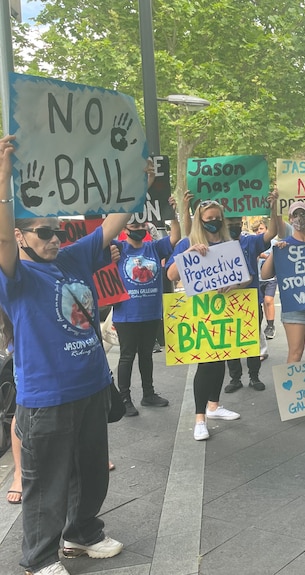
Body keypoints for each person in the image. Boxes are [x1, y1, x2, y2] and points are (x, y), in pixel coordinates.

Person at [0, 135, 128, 574]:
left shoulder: (71, 259)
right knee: (46, 485)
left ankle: (82, 534)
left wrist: (134, 179)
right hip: (46, 398)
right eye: (44, 231)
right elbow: (0, 237)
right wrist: (3, 178)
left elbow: (112, 224)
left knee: (92, 473)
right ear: (20, 236)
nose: (55, 237)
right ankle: (38, 559)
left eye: (58, 230)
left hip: (91, 385)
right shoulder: (14, 277)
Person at [166, 199, 251, 441]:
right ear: (199, 221)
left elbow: (246, 276)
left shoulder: (229, 244)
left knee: (220, 360)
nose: (214, 223)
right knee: (205, 365)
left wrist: (234, 283)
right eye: (209, 219)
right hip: (200, 312)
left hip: (225, 311)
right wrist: (187, 255)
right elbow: (170, 275)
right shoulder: (188, 243)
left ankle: (214, 406)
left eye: (217, 219)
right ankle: (199, 418)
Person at [112, 194, 182, 417]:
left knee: (146, 355)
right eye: (134, 224)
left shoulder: (153, 247)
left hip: (151, 313)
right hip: (126, 315)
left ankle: (148, 394)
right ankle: (124, 399)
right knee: (127, 356)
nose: (139, 227)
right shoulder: (119, 248)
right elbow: (104, 238)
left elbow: (175, 238)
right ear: (126, 227)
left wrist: (173, 214)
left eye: (143, 224)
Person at [222, 198, 279, 393]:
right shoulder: (217, 245)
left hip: (251, 300)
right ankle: (235, 378)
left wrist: (274, 209)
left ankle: (254, 376)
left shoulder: (250, 242)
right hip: (227, 302)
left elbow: (272, 232)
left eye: (238, 224)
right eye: (231, 225)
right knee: (231, 341)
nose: (235, 228)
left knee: (252, 340)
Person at [261, 201, 305, 362]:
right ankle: (293, 388)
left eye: (303, 214)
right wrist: (275, 252)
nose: (299, 218)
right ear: (290, 219)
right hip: (295, 307)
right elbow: (265, 274)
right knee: (295, 352)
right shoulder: (284, 246)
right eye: (295, 215)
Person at [256, 219, 277, 341]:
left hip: (270, 278)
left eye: (261, 229)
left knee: (268, 300)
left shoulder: (273, 243)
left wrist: (265, 256)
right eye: (257, 230)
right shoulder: (254, 243)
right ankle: (260, 325)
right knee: (260, 303)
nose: (259, 231)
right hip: (257, 278)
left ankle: (270, 325)